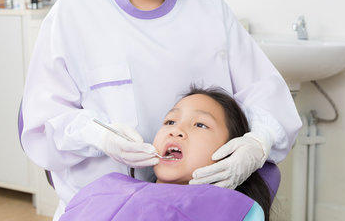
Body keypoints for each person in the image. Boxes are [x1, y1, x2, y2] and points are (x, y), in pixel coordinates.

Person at [20, 0, 302, 220]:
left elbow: (268, 97)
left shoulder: (208, 10)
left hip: (195, 207)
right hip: (98, 208)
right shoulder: (74, 13)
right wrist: (95, 134)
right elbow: (41, 122)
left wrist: (257, 144)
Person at [59, 86, 272, 221]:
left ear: (231, 151)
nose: (175, 130)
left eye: (200, 124)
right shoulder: (106, 187)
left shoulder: (236, 209)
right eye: (170, 121)